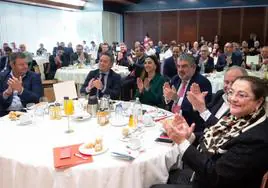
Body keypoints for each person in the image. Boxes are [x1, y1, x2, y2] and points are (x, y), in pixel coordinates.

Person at [152, 76, 268, 188]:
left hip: (213, 182)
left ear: (258, 102)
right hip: (201, 175)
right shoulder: (239, 117)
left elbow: (215, 176)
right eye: (231, 92)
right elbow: (212, 136)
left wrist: (182, 142)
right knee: (167, 174)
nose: (232, 98)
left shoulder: (256, 139)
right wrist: (189, 136)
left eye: (241, 95)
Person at [163, 54, 212, 133]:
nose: (180, 70)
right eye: (178, 66)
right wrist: (167, 97)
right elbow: (169, 103)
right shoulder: (175, 79)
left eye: (184, 66)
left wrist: (177, 98)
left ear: (193, 67)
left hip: (190, 126)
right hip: (172, 121)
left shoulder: (202, 83)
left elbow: (196, 109)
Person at [0, 52, 43, 117]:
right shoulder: (2, 77)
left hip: (27, 113)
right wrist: (6, 94)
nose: (25, 66)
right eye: (21, 64)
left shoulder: (34, 77)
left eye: (26, 63)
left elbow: (38, 98)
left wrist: (21, 90)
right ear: (12, 65)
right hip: (6, 114)